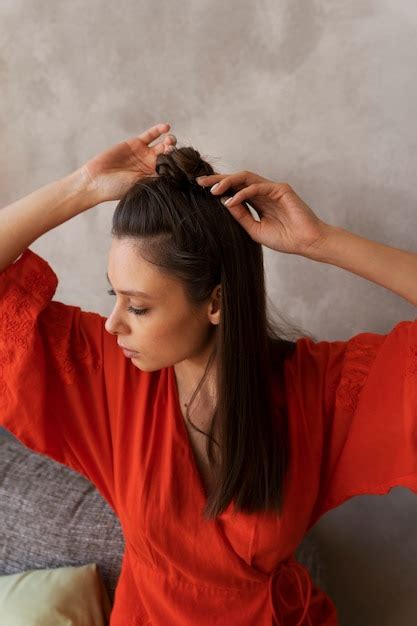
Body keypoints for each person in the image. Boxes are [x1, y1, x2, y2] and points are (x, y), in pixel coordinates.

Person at [1, 122, 416, 626]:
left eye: (139, 307)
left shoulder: (319, 390)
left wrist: (319, 241)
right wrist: (84, 185)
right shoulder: (108, 371)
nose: (113, 324)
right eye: (115, 298)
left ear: (215, 302)